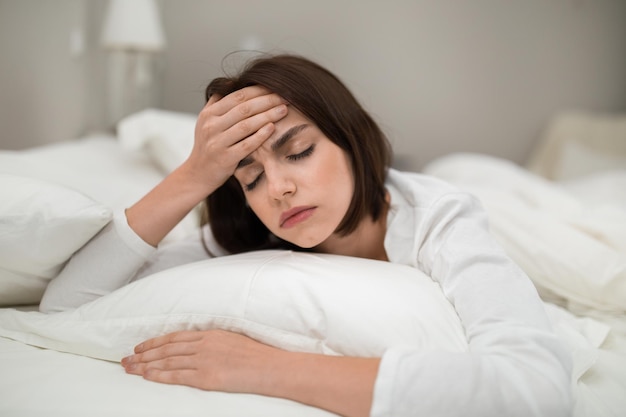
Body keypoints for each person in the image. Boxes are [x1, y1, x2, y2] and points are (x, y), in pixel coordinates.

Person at [40, 54, 572, 417]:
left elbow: (536, 388)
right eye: (249, 176)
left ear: (350, 137)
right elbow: (69, 301)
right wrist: (196, 176)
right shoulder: (248, 231)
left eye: (298, 152)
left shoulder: (442, 220)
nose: (277, 188)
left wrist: (268, 369)